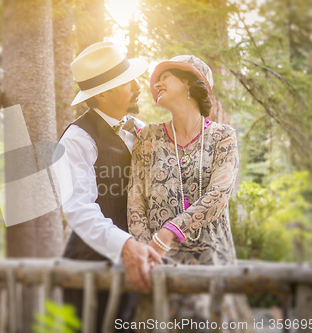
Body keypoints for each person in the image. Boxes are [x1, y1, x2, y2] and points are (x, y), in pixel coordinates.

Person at [127, 55, 252, 331]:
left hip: (212, 268)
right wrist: (146, 251)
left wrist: (170, 231)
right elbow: (135, 203)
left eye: (165, 76)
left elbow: (219, 194)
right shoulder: (147, 137)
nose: (157, 82)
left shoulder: (223, 137)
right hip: (160, 268)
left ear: (189, 83)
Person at [59, 42, 163, 332]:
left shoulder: (139, 129)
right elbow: (78, 209)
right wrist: (125, 246)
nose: (136, 85)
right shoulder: (76, 139)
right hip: (91, 270)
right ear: (103, 94)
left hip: (139, 265)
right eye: (126, 82)